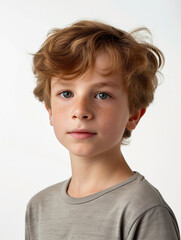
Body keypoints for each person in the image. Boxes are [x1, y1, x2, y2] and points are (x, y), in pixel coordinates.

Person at [25, 20, 180, 240]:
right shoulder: (39, 207)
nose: (80, 111)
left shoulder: (142, 209)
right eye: (67, 94)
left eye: (102, 95)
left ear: (134, 114)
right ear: (50, 111)